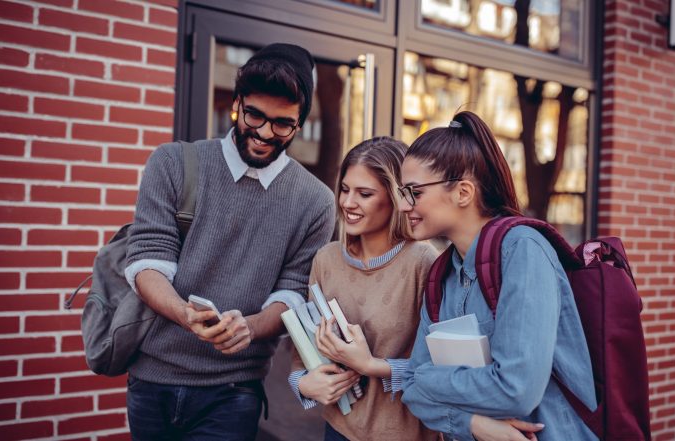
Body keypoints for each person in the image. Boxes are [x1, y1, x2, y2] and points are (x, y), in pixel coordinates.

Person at [123, 43, 336, 440]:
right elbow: (146, 262)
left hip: (235, 390)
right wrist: (184, 313)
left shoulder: (317, 202)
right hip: (152, 378)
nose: (264, 133)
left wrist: (251, 328)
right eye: (254, 115)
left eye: (282, 124)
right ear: (237, 104)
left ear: (299, 124)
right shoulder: (173, 163)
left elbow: (292, 293)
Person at [287, 137, 544, 441]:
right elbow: (302, 356)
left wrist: (372, 366)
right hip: (339, 430)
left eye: (365, 193)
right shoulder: (326, 260)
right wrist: (303, 384)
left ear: (394, 198)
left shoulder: (427, 264)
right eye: (344, 189)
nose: (347, 203)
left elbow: (438, 367)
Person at [398, 111, 597, 441]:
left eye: (415, 192)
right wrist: (475, 425)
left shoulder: (523, 250)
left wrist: (428, 379)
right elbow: (410, 389)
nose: (404, 205)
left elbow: (517, 389)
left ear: (463, 193)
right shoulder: (442, 275)